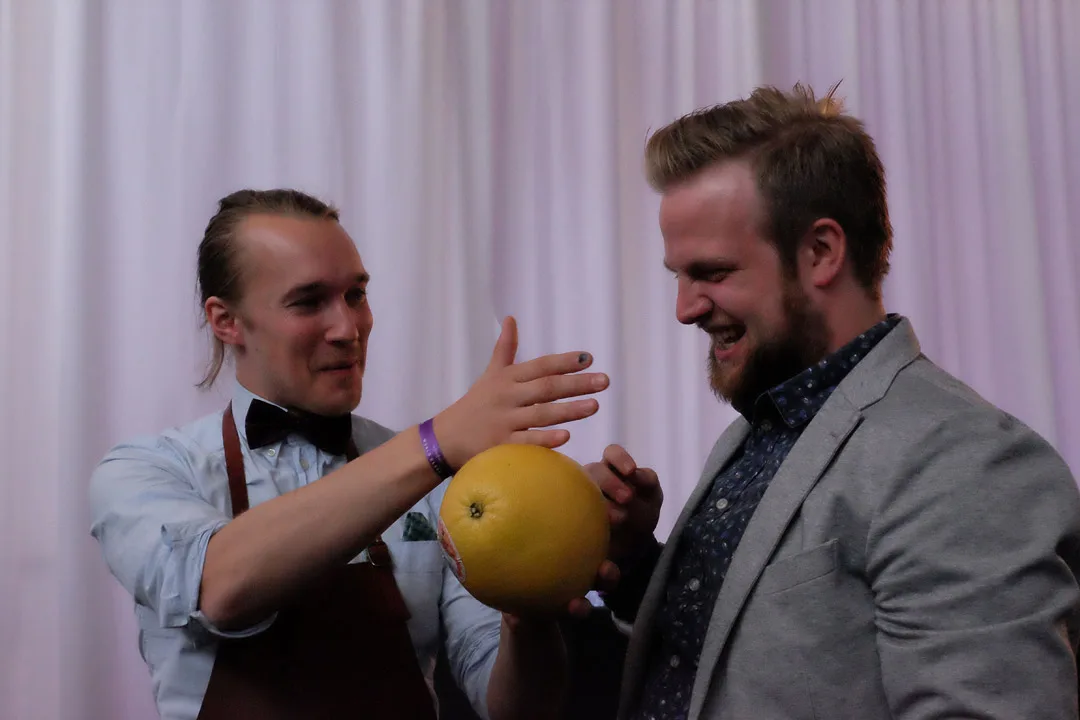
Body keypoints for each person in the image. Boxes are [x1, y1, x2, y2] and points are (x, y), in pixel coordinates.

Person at [586, 84, 1080, 719]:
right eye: (678, 276)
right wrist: (635, 565)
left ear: (821, 253)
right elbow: (740, 661)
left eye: (712, 273)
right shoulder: (762, 430)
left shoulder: (967, 463)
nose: (685, 309)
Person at [88, 188, 614, 720]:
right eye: (308, 301)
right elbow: (220, 587)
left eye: (356, 295)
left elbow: (512, 708)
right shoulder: (146, 470)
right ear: (226, 320)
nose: (348, 329)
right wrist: (436, 441)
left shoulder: (434, 478)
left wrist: (530, 608)